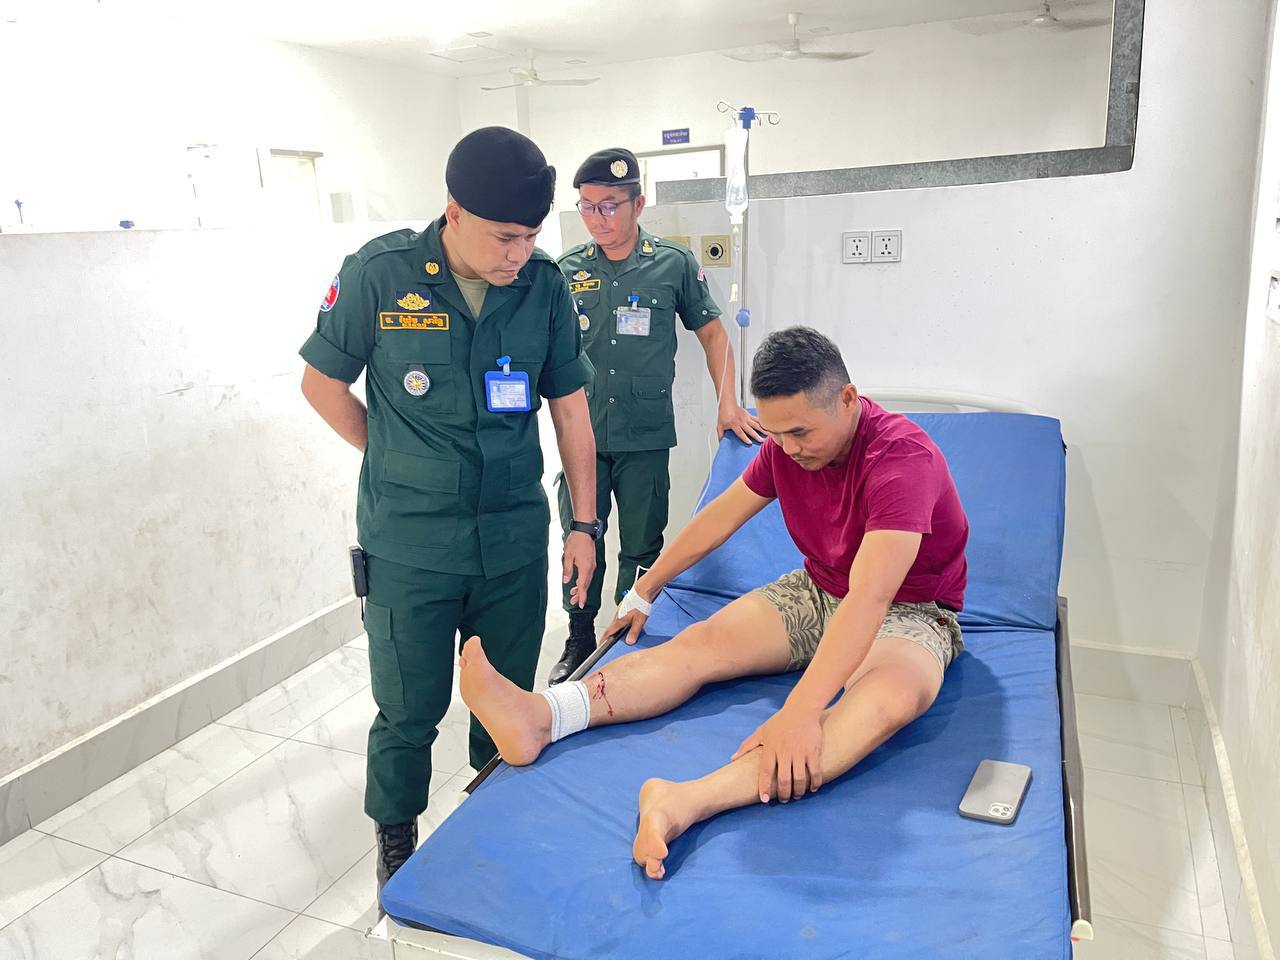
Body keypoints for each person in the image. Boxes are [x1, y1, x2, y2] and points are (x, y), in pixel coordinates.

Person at [458, 326, 969, 880]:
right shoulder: (785, 449)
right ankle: (543, 716)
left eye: (801, 431)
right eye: (777, 434)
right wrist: (645, 588)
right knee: (700, 643)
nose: (789, 448)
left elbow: (871, 597)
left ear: (847, 399)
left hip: (911, 610)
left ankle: (683, 801)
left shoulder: (901, 457)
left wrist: (800, 711)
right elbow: (718, 519)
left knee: (888, 701)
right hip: (820, 589)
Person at [298, 127, 601, 892]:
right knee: (408, 710)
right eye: (504, 237)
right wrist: (392, 457)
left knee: (504, 702)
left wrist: (585, 525)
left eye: (531, 237)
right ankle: (396, 839)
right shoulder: (380, 274)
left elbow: (570, 411)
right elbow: (321, 384)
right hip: (409, 548)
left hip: (510, 542)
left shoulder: (544, 285)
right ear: (454, 213)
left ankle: (491, 829)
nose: (518, 254)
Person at [548, 147, 765, 684]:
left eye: (610, 206)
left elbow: (714, 335)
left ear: (638, 203)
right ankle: (579, 636)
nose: (598, 218)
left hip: (644, 435)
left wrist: (728, 403)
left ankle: (624, 632)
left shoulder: (672, 263)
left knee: (642, 544)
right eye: (588, 207)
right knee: (580, 539)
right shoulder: (565, 271)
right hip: (582, 438)